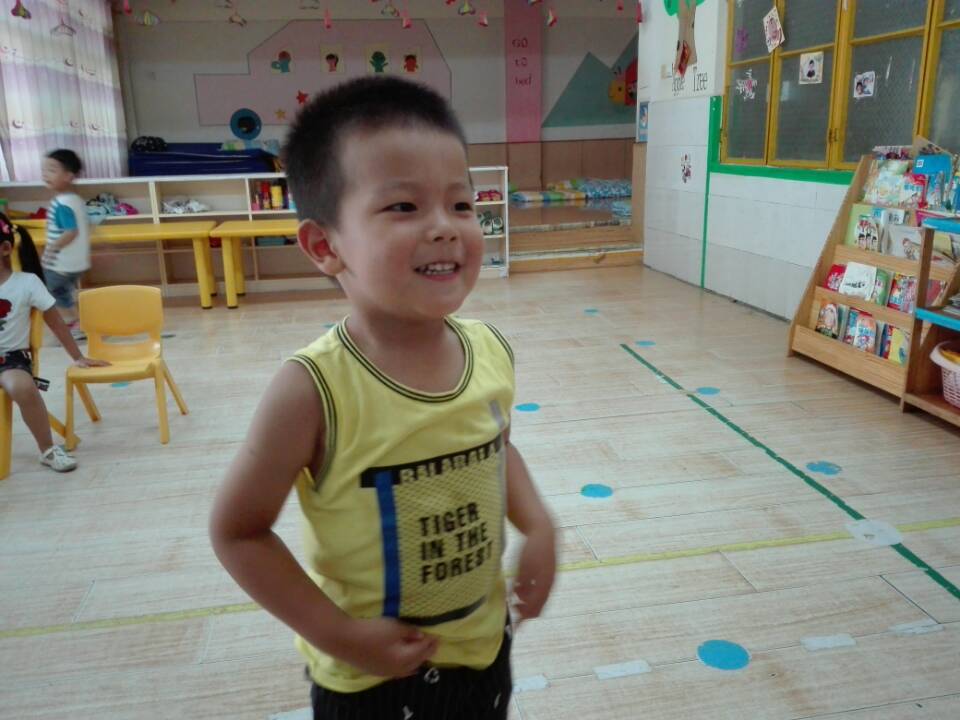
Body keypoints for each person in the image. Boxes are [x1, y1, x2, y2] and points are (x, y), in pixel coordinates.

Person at [210, 76, 556, 719]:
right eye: (403, 206)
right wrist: (338, 634)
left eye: (461, 204)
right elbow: (238, 531)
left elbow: (497, 451)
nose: (445, 228)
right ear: (325, 246)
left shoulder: (490, 351)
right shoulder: (312, 390)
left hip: (483, 656)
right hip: (368, 684)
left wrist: (537, 523)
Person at [0, 213, 106, 472]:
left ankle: (47, 449)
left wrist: (77, 357)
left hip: (10, 360)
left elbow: (57, 322)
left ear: (5, 248)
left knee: (22, 388)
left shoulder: (26, 283)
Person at [41, 148, 91, 336]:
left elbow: (71, 231)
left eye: (52, 170)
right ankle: (77, 322)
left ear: (68, 176)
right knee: (60, 292)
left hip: (60, 264)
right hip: (75, 263)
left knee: (47, 292)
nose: (45, 174)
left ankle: (74, 323)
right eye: (44, 170)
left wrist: (52, 248)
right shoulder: (76, 199)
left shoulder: (62, 203)